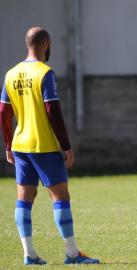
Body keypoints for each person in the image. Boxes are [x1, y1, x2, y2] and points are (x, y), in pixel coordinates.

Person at [0, 27, 99, 265]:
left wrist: (8, 144)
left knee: (24, 198)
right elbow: (52, 109)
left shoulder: (11, 73)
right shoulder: (45, 73)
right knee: (60, 197)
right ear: (46, 44)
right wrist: (66, 145)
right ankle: (73, 253)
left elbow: (3, 111)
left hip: (21, 144)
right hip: (43, 145)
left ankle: (29, 254)